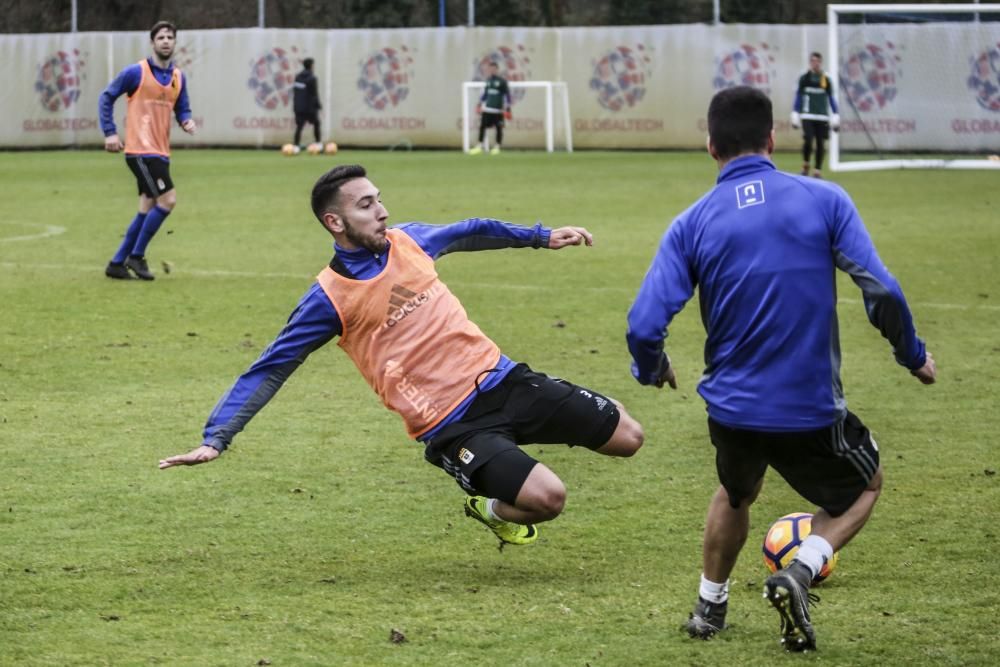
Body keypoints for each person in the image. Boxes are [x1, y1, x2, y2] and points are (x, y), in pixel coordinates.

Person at [160, 164, 644, 547]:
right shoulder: (330, 297)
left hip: (506, 381)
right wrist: (217, 436)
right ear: (336, 221)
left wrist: (539, 235)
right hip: (453, 425)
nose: (382, 211)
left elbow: (470, 230)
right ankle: (488, 508)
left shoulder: (410, 241)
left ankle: (546, 424)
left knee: (628, 436)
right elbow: (271, 367)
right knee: (548, 498)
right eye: (367, 206)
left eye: (380, 200)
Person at [626, 87, 936, 651]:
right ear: (773, 139)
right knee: (866, 484)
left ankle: (708, 607)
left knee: (736, 492)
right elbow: (882, 290)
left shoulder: (691, 223)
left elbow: (644, 326)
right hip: (809, 405)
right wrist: (911, 354)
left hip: (733, 408)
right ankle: (802, 567)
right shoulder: (824, 199)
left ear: (710, 146)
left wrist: (652, 367)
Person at [99, 20, 195, 281]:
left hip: (161, 151)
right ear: (152, 43)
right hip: (141, 150)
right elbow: (106, 96)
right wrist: (109, 132)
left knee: (147, 206)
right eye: (161, 37)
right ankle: (136, 256)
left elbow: (182, 107)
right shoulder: (136, 72)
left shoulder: (177, 78)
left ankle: (117, 263)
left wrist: (186, 120)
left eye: (170, 37)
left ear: (174, 43)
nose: (166, 41)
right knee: (168, 200)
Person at [791, 52, 840, 178]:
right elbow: (799, 95)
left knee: (820, 143)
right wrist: (796, 111)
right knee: (808, 139)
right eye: (812, 61)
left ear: (820, 62)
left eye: (817, 61)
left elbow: (831, 97)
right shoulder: (804, 77)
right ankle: (806, 165)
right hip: (807, 115)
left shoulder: (826, 78)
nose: (815, 63)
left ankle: (817, 170)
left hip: (822, 116)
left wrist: (835, 113)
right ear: (810, 62)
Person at [469, 62, 511, 155]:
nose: (491, 70)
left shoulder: (502, 82)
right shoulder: (488, 81)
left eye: (493, 68)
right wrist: (479, 104)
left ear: (497, 69)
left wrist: (508, 108)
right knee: (482, 126)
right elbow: (484, 95)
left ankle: (497, 146)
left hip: (498, 110)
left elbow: (507, 95)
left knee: (499, 128)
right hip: (487, 109)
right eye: (490, 69)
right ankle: (479, 146)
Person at [293, 57, 322, 149]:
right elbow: (314, 94)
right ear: (311, 66)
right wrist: (318, 105)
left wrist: (296, 105)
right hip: (309, 108)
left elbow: (296, 92)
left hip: (299, 107)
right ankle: (318, 144)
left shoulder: (297, 77)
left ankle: (296, 146)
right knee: (316, 123)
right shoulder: (312, 78)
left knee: (299, 126)